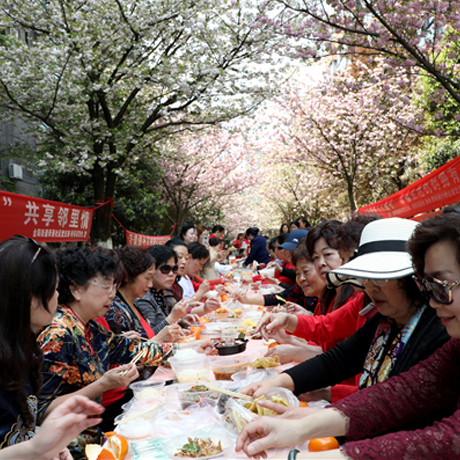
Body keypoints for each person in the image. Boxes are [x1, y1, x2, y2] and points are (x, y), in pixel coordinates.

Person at [237, 213, 460, 459]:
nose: (371, 288)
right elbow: (397, 395)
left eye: (441, 285)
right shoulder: (388, 320)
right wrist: (301, 422)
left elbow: (447, 439)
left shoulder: (440, 329)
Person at [36, 247, 176, 459]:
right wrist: (102, 385)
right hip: (67, 450)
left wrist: (178, 351)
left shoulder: (89, 328)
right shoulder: (58, 334)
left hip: (94, 439)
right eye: (107, 285)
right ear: (76, 289)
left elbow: (132, 349)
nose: (113, 294)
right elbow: (41, 410)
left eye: (115, 286)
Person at [0, 236, 104, 459]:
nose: (58, 295)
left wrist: (47, 444)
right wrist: (34, 449)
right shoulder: (56, 333)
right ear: (29, 296)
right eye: (54, 288)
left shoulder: (24, 345)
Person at [136, 245, 192, 335]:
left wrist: (180, 321)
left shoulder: (158, 292)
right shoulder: (144, 297)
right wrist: (173, 317)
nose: (171, 274)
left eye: (174, 269)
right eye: (165, 269)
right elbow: (148, 337)